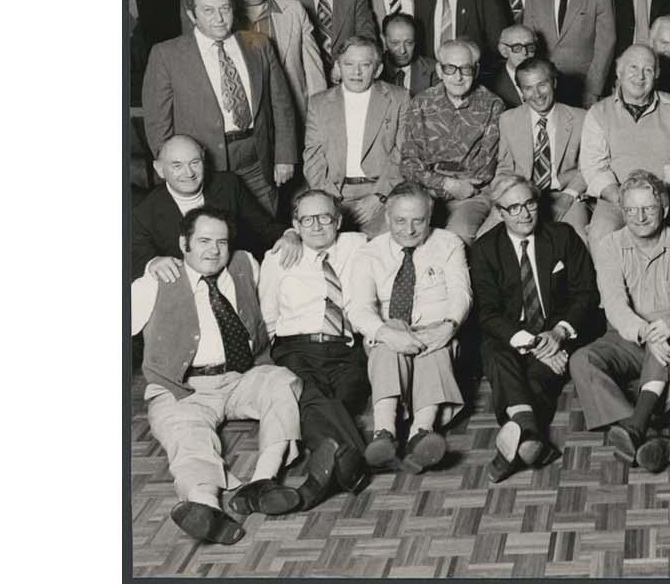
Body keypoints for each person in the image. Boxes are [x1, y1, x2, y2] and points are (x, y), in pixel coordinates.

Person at [130, 207, 305, 544]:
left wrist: (291, 233)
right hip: (183, 387)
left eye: (221, 242)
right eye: (204, 241)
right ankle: (204, 506)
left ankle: (263, 482)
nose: (214, 250)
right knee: (187, 435)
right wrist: (150, 265)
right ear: (184, 244)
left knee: (283, 383)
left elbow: (269, 305)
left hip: (240, 376)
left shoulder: (245, 264)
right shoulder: (155, 281)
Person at [471, 174, 601, 482]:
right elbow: (487, 312)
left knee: (536, 376)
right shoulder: (485, 249)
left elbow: (586, 293)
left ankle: (520, 437)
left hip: (559, 330)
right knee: (496, 356)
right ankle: (531, 436)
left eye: (529, 204)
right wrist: (532, 343)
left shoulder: (562, 236)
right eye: (513, 208)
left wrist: (558, 333)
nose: (524, 214)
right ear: (499, 212)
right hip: (512, 333)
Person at [570, 170, 670, 472]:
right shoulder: (610, 246)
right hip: (627, 336)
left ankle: (635, 426)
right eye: (631, 210)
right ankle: (646, 432)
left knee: (665, 346)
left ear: (664, 208)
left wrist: (668, 326)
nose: (640, 217)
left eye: (648, 208)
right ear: (622, 211)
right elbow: (614, 304)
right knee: (581, 360)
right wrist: (644, 331)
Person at [343, 184, 471, 474]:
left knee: (434, 336)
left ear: (430, 217)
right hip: (388, 339)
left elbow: (461, 293)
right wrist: (388, 334)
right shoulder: (369, 253)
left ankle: (421, 433)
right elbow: (359, 308)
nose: (409, 230)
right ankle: (384, 433)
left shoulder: (449, 243)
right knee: (391, 327)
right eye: (400, 221)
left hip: (436, 333)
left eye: (418, 221)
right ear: (387, 218)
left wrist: (448, 326)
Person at [257, 189, 372, 509]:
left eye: (324, 218)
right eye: (307, 220)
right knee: (311, 394)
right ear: (296, 224)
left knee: (340, 400)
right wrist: (278, 348)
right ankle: (340, 473)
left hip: (346, 348)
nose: (317, 226)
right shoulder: (278, 258)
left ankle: (334, 466)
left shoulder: (359, 245)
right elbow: (268, 313)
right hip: (298, 347)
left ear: (338, 221)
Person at [143, 0, 297, 216]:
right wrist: (174, 170)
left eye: (225, 8)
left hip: (257, 162)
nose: (219, 18)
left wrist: (284, 156)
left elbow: (281, 104)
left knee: (265, 229)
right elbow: (158, 123)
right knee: (214, 233)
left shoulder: (259, 43)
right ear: (192, 15)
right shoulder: (166, 55)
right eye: (208, 10)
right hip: (203, 169)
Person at [581, 44, 670, 245]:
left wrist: (659, 198)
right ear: (619, 71)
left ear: (656, 75)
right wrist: (626, 200)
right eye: (633, 68)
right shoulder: (598, 112)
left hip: (669, 194)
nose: (640, 76)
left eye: (647, 70)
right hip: (618, 198)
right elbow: (594, 167)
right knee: (600, 233)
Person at [132, 135, 300, 279]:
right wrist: (152, 263)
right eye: (177, 166)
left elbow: (263, 227)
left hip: (234, 276)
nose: (189, 173)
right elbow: (137, 259)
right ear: (159, 169)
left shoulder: (228, 185)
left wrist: (290, 234)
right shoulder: (143, 212)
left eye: (195, 163)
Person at [400, 38, 504, 243]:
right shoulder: (421, 103)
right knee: (407, 234)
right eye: (450, 69)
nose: (458, 77)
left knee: (457, 237)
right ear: (439, 70)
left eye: (465, 69)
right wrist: (446, 184)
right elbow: (409, 164)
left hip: (470, 195)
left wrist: (450, 185)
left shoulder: (493, 105)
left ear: (476, 70)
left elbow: (483, 170)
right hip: (426, 193)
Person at [303, 36, 408, 238]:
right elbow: (313, 158)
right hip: (334, 193)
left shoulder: (399, 98)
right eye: (349, 64)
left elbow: (403, 152)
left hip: (383, 191)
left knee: (386, 245)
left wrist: (380, 196)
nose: (356, 72)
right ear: (338, 67)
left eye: (365, 65)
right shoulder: (318, 103)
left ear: (377, 69)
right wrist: (330, 201)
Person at [487, 57, 592, 237]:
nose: (537, 94)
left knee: (578, 239)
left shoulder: (581, 118)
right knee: (486, 238)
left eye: (542, 85)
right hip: (520, 196)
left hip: (564, 193)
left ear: (554, 83)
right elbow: (504, 169)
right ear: (521, 91)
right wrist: (504, 198)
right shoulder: (508, 119)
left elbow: (588, 168)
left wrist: (568, 195)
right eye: (528, 88)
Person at [224, 0, 327, 118]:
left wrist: (320, 116)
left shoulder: (294, 10)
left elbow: (314, 71)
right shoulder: (223, 19)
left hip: (295, 114)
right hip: (251, 119)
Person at [522, 0, 616, 107]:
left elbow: (605, 44)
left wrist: (593, 89)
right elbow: (527, 35)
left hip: (580, 85)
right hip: (540, 84)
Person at [379, 12, 438, 97]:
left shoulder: (433, 70)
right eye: (395, 43)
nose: (402, 51)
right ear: (383, 40)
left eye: (409, 43)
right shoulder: (373, 70)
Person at [490, 24, 538, 107]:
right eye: (517, 47)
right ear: (503, 51)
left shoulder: (547, 76)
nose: (525, 52)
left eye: (530, 47)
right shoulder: (491, 84)